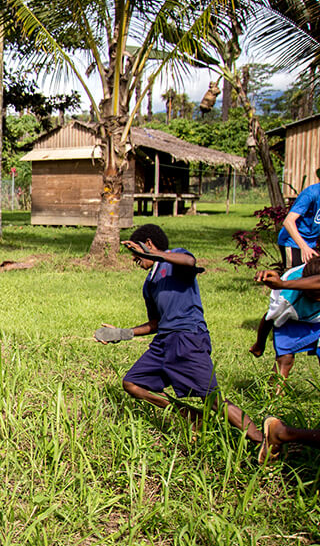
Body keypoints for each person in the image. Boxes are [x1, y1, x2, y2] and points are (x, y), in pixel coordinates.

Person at [95, 224, 263, 443]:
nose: (135, 260)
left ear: (148, 244)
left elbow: (190, 262)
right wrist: (123, 333)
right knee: (133, 383)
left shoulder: (176, 258)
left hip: (188, 338)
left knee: (213, 399)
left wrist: (152, 254)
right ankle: (192, 416)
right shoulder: (149, 283)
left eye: (136, 254)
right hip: (163, 342)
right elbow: (155, 323)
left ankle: (265, 442)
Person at [250, 181, 320, 357]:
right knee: (292, 289)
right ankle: (276, 333)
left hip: (312, 243)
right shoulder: (311, 193)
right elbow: (288, 222)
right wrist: (303, 246)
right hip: (293, 242)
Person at [249, 257, 320, 388]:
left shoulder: (284, 284)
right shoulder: (286, 297)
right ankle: (274, 401)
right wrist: (260, 344)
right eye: (314, 296)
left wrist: (282, 284)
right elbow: (269, 318)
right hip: (291, 320)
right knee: (284, 359)